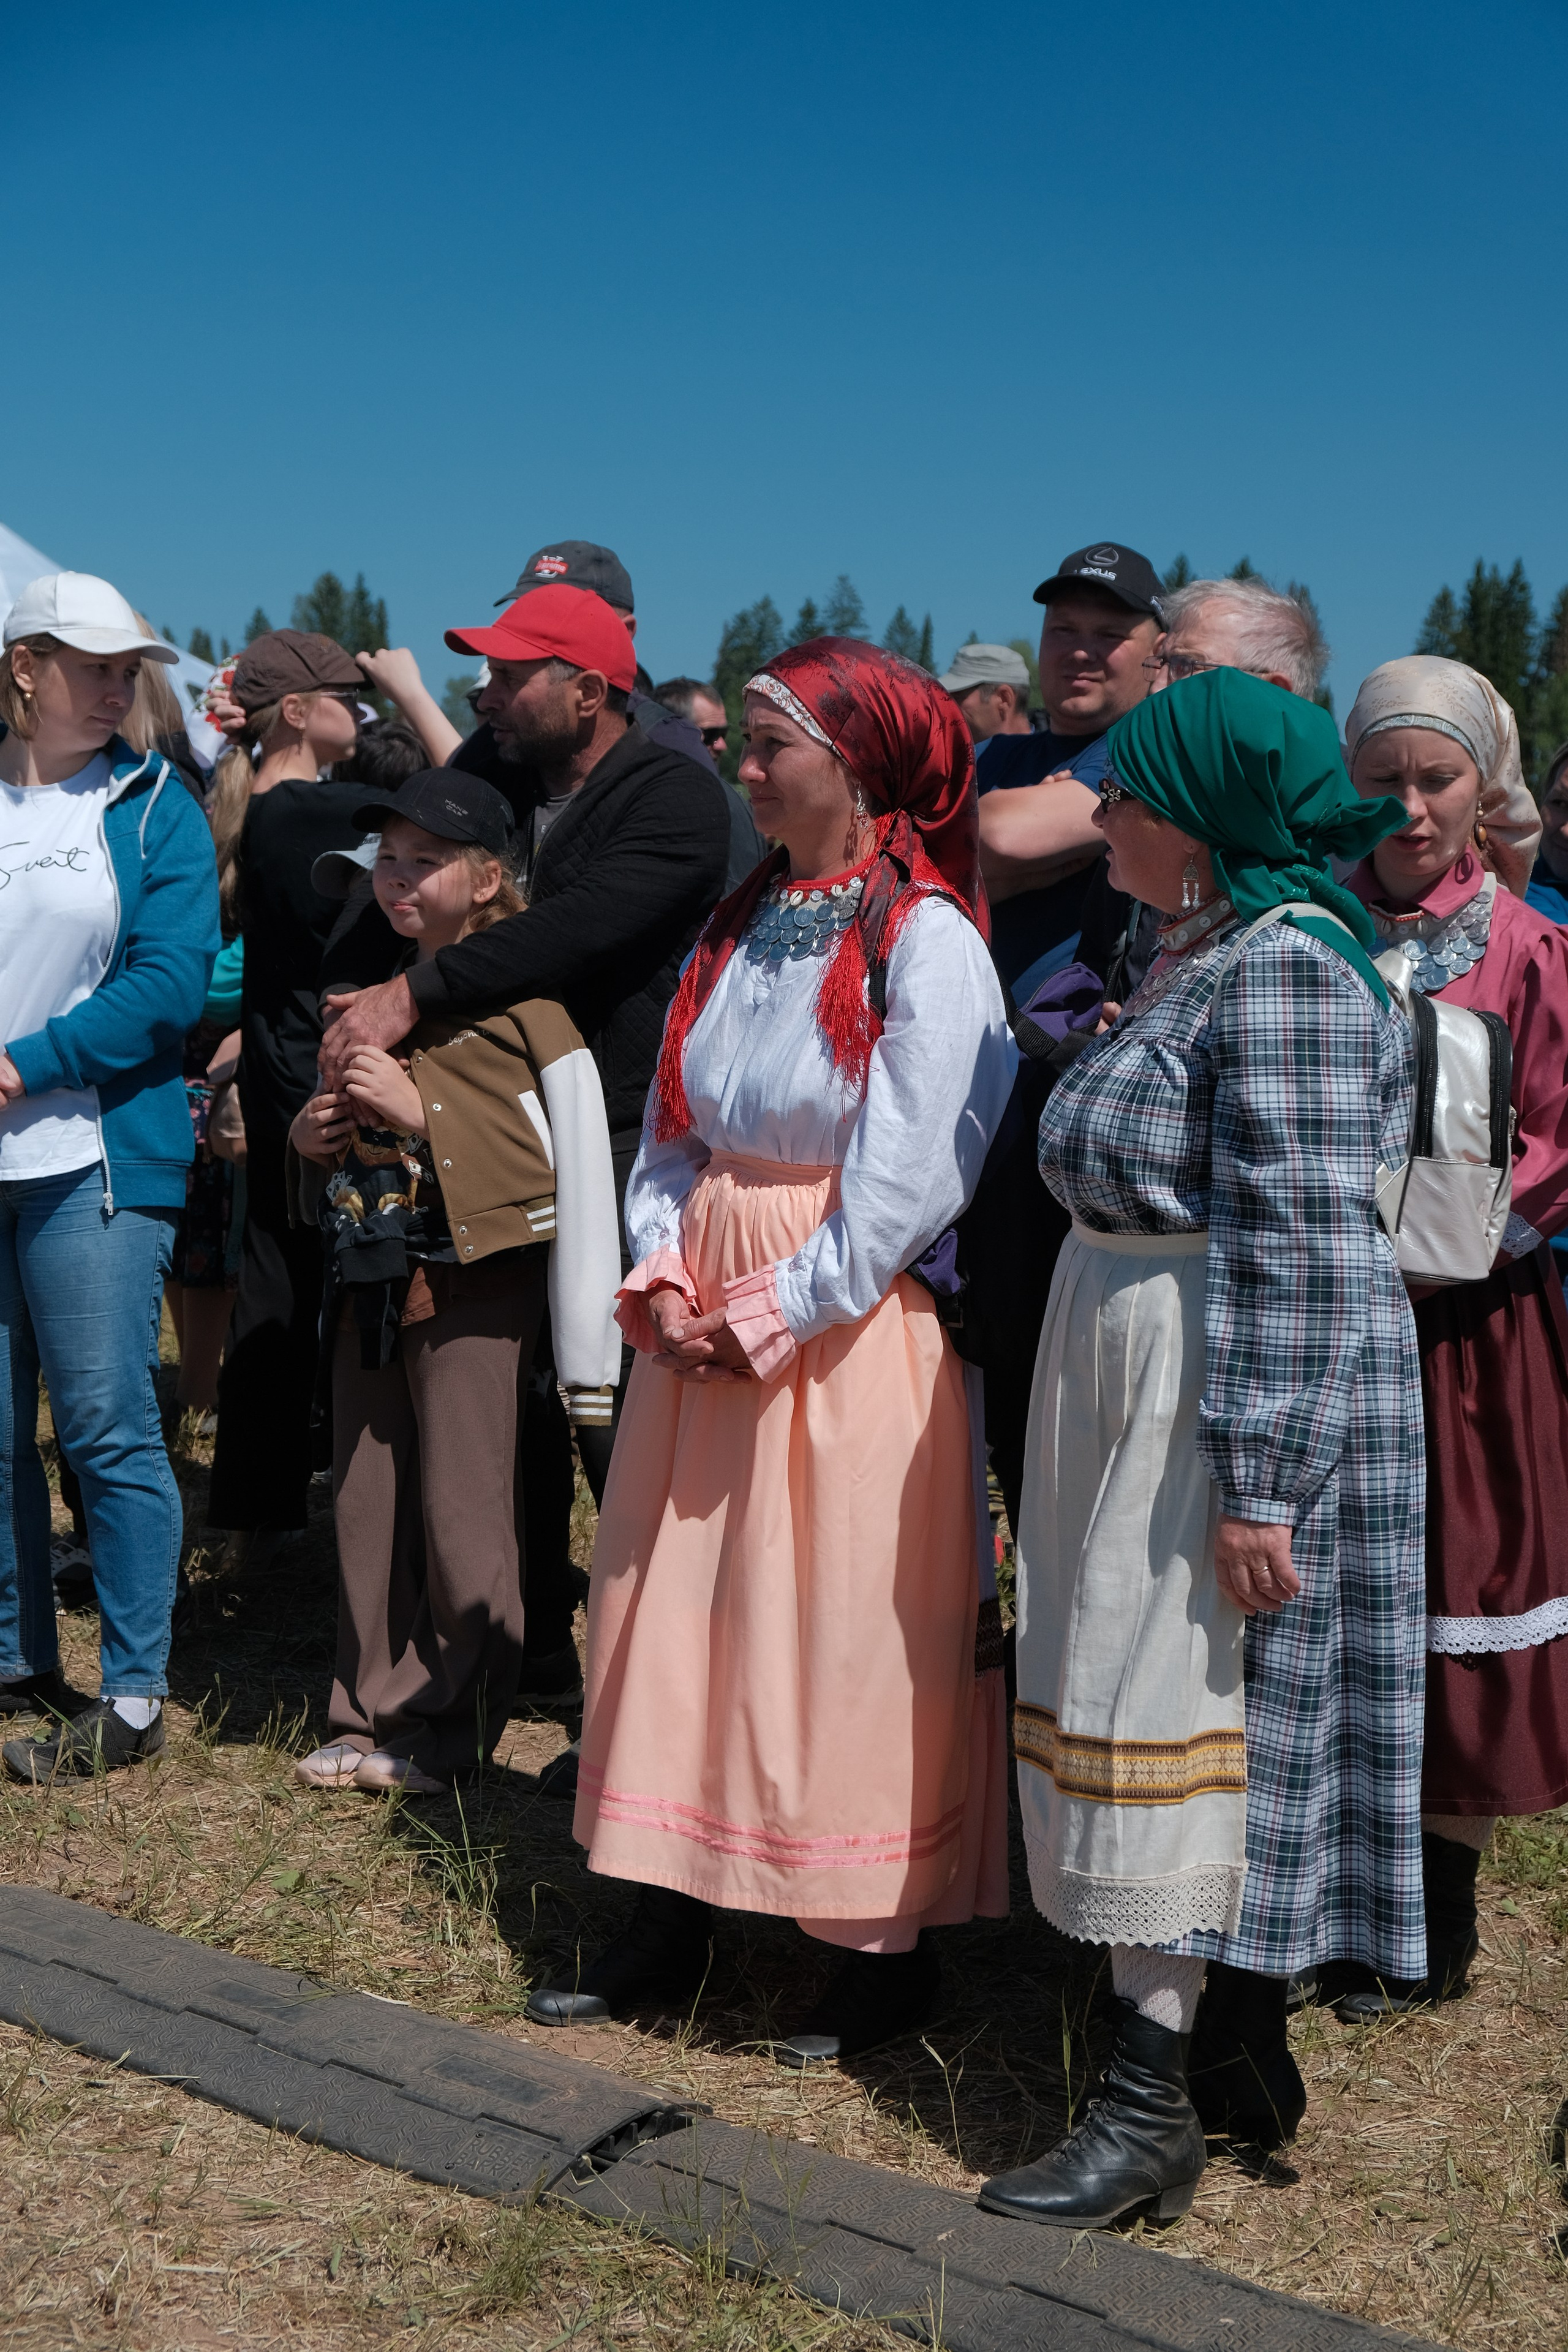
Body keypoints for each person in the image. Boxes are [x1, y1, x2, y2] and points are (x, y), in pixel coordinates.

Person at [524, 638, 1016, 2065]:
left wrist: (772, 1306)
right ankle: (670, 1904)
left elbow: (918, 1172)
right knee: (678, 1609)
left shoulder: (925, 937)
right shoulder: (743, 920)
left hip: (846, 1328)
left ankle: (869, 1944)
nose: (740, 766)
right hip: (715, 1321)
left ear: (852, 762)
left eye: (764, 742)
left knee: (837, 1624)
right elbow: (675, 1116)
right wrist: (668, 1262)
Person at [979, 671, 1425, 2229]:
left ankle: (1145, 2104)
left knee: (1167, 1695)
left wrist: (1261, 1478)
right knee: (1149, 1690)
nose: (1098, 808)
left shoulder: (1287, 973)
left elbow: (1299, 1248)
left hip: (1207, 1368)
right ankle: (1223, 2042)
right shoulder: (1199, 950)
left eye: (1127, 787)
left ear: (1198, 823)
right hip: (1130, 1347)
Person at [318, 583, 731, 1493]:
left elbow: (570, 929)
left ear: (588, 692)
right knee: (505, 1403)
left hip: (621, 1134)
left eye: (510, 675)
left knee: (609, 1391)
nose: (485, 693)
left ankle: (645, 1614)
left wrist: (411, 992)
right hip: (474, 1131)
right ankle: (526, 1629)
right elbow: (388, 872)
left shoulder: (677, 798)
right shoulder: (497, 769)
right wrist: (352, 994)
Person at [289, 772, 619, 1793]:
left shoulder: (528, 1008)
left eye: (424, 861)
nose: (398, 878)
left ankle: (454, 1729)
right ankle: (365, 1712)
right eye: (387, 859)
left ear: (487, 881)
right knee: (366, 1497)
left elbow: (570, 1162)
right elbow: (336, 1158)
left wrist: (420, 1110)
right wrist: (312, 1142)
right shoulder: (363, 1004)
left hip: (476, 1284)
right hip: (370, 1277)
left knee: (464, 1505)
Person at [1327, 656, 1568, 2021]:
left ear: (1483, 794)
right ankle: (1319, 1884)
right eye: (1382, 782)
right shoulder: (1310, 928)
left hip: (1461, 1330)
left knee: (1449, 1592)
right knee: (1331, 1595)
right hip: (1325, 1312)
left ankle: (1431, 1905)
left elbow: (1552, 1134)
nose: (1407, 809)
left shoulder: (1528, 951)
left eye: (1435, 781)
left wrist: (1443, 1252)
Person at [0, 573, 219, 1777]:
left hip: (95, 1162)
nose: (117, 682)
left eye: (127, 664)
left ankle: (131, 1698)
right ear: (23, 665)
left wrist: (20, 1067)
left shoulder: (154, 809)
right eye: (92, 661)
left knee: (104, 1426)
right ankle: (16, 1658)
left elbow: (169, 986)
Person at [205, 630, 372, 1551]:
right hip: (313, 1085)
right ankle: (280, 1503)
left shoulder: (271, 809)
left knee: (277, 1285)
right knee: (299, 1296)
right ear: (300, 714)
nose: (367, 706)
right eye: (350, 694)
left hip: (282, 1070)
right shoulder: (303, 810)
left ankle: (255, 1506)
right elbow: (447, 806)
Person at [977, 542, 1165, 1001]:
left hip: (1057, 1058)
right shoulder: (988, 754)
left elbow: (1004, 833)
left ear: (1159, 653)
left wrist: (967, 844)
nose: (1081, 652)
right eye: (1063, 629)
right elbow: (872, 857)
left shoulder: (1147, 755)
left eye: (1108, 634)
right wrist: (995, 880)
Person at [650, 676, 767, 891]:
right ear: (670, 732)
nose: (722, 745)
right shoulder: (659, 798)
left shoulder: (733, 805)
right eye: (710, 735)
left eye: (723, 733)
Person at [937, 643, 1034, 752]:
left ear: (1004, 698)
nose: (945, 707)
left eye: (958, 697)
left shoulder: (1052, 763)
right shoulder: (952, 761)